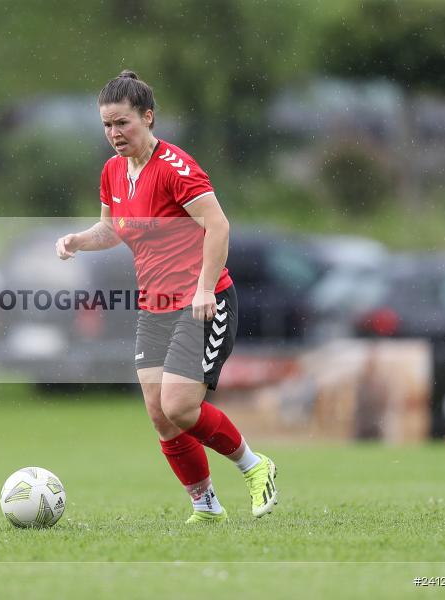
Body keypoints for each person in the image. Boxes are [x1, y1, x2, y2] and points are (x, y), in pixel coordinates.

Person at [55, 70, 277, 523]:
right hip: (154, 307)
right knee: (160, 414)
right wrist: (78, 240)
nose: (114, 134)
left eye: (123, 123)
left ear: (148, 117)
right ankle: (206, 505)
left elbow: (218, 226)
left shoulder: (176, 168)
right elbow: (111, 229)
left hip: (204, 302)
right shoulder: (113, 171)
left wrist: (201, 290)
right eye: (107, 125)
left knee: (180, 406)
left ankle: (255, 467)